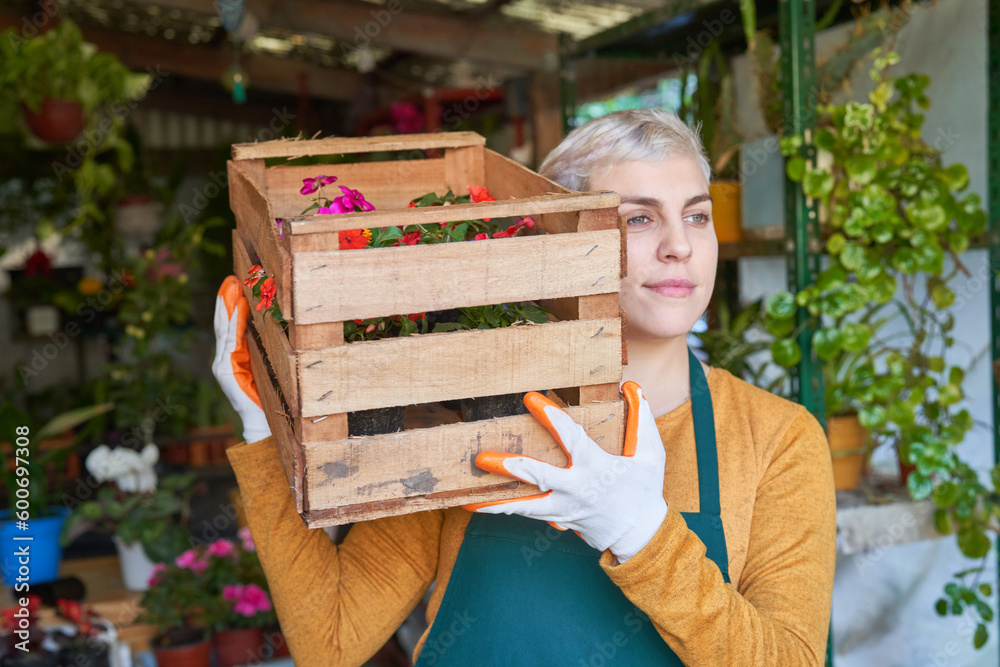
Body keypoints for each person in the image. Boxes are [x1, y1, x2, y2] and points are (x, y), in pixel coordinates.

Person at [212, 108, 836, 666]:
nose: (679, 246)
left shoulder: (774, 438)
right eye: (639, 218)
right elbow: (333, 641)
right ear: (552, 244)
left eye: (696, 216)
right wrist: (268, 434)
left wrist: (642, 533)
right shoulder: (469, 415)